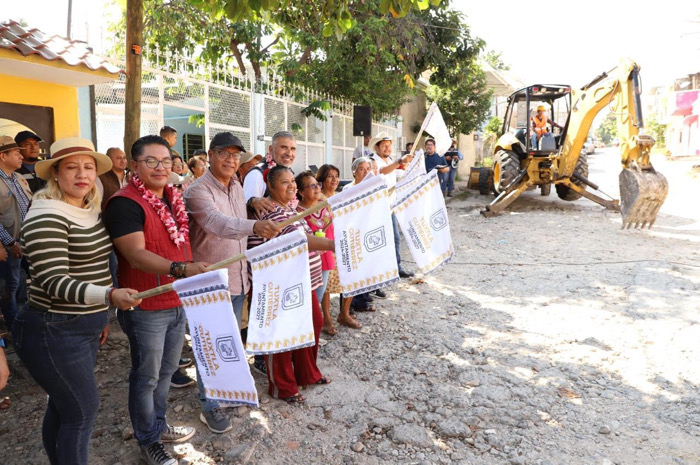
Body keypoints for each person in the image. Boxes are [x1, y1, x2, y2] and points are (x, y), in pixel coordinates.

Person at [12, 137, 141, 465]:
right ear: (55, 173)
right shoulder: (47, 214)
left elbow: (96, 268)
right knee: (82, 411)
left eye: (88, 167)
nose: (82, 174)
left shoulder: (87, 208)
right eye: (72, 167)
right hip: (51, 326)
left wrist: (98, 316)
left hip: (82, 324)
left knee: (63, 405)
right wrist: (109, 297)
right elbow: (55, 283)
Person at [104, 135, 209, 465]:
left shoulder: (172, 197)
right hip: (145, 305)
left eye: (166, 161)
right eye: (151, 161)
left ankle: (157, 425)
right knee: (146, 376)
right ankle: (147, 440)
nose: (161, 167)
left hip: (177, 301)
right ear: (135, 165)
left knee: (166, 373)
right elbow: (135, 254)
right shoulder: (125, 203)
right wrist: (182, 268)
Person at [184, 132, 280, 433]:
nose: (230, 159)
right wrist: (255, 225)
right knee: (209, 346)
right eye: (224, 153)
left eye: (236, 155)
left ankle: (227, 392)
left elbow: (237, 216)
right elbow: (217, 223)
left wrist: (252, 204)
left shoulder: (237, 184)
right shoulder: (197, 191)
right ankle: (209, 405)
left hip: (238, 278)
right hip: (211, 282)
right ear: (210, 155)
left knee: (231, 342)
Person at [247, 165, 333, 404]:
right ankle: (282, 387)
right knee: (282, 336)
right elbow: (296, 241)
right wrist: (331, 245)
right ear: (271, 187)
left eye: (292, 182)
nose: (291, 186)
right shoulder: (268, 209)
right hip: (279, 284)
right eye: (284, 182)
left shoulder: (290, 208)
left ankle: (308, 374)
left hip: (302, 282)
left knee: (313, 324)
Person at [295, 171, 340, 335]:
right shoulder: (297, 213)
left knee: (318, 298)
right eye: (311, 186)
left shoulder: (325, 204)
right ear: (300, 192)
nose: (316, 188)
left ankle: (309, 334)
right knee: (308, 301)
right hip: (309, 263)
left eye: (317, 185)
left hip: (327, 258)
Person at [368, 132, 414, 278]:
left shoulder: (391, 161)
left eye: (389, 146)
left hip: (391, 206)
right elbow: (382, 172)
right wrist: (399, 162)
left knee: (395, 238)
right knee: (379, 241)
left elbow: (396, 173)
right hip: (378, 208)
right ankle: (379, 271)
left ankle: (396, 267)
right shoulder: (373, 161)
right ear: (377, 147)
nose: (387, 149)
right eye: (384, 146)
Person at [0, 136, 31, 332]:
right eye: (16, 153)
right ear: (3, 156)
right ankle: (15, 327)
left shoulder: (18, 178)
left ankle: (23, 321)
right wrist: (9, 242)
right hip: (10, 243)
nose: (21, 156)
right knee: (9, 286)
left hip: (25, 240)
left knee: (20, 284)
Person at [243, 130, 297, 216]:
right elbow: (246, 213)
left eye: (293, 149)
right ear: (271, 149)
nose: (289, 153)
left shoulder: (289, 173)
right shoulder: (256, 175)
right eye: (284, 147)